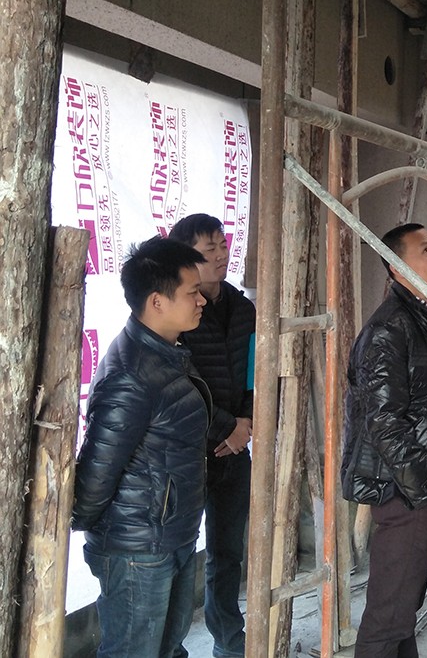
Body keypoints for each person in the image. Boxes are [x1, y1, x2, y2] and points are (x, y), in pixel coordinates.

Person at [72, 236, 211, 658]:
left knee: (168, 649)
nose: (202, 300)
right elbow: (96, 474)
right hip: (137, 548)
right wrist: (109, 537)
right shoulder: (130, 375)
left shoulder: (165, 353)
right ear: (157, 302)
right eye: (192, 292)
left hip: (169, 534)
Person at [341, 222, 427, 658]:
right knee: (389, 611)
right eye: (425, 250)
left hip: (426, 473)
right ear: (396, 267)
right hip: (406, 485)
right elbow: (383, 421)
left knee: (404, 602)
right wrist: (422, 487)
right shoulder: (389, 329)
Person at [169, 214, 256, 658]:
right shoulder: (176, 314)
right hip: (189, 454)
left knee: (227, 554)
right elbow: (180, 385)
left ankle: (229, 640)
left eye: (223, 244)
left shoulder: (243, 309)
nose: (222, 254)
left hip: (234, 451)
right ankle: (171, 646)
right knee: (178, 558)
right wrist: (227, 427)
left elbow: (255, 373)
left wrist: (247, 424)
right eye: (209, 250)